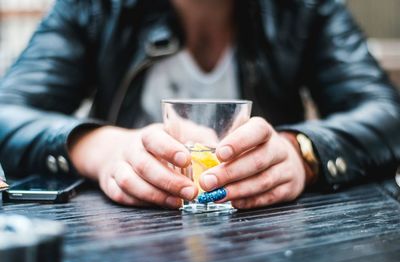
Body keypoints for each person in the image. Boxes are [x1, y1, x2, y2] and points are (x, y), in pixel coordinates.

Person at [0, 0, 399, 209]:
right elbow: (8, 111)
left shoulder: (307, 7)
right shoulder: (94, 6)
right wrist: (101, 148)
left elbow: (386, 113)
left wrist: (303, 153)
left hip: (264, 236)